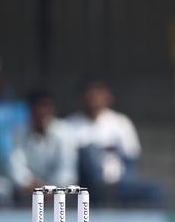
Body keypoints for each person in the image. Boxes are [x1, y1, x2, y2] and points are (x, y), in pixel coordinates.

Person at [65, 77, 164, 206]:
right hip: (86, 187)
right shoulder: (68, 125)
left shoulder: (121, 122)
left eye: (98, 93)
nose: (93, 98)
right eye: (89, 93)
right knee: (89, 152)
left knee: (155, 190)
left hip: (119, 185)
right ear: (80, 97)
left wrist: (122, 183)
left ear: (108, 97)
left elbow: (131, 159)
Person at [9, 90, 77, 200]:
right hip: (28, 190)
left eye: (46, 107)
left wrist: (50, 188)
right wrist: (31, 185)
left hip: (58, 192)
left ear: (53, 109)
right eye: (38, 107)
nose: (42, 111)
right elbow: (17, 167)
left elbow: (67, 170)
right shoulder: (19, 133)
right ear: (30, 110)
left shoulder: (65, 132)